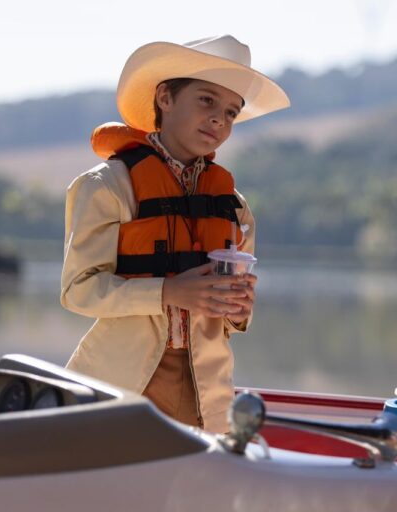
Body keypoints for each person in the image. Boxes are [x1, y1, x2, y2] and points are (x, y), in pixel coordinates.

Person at [60, 35, 290, 433]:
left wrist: (240, 308)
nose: (220, 119)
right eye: (207, 100)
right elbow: (78, 290)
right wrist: (168, 292)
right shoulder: (106, 187)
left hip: (208, 395)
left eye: (232, 113)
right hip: (120, 386)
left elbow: (235, 318)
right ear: (165, 97)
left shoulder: (235, 206)